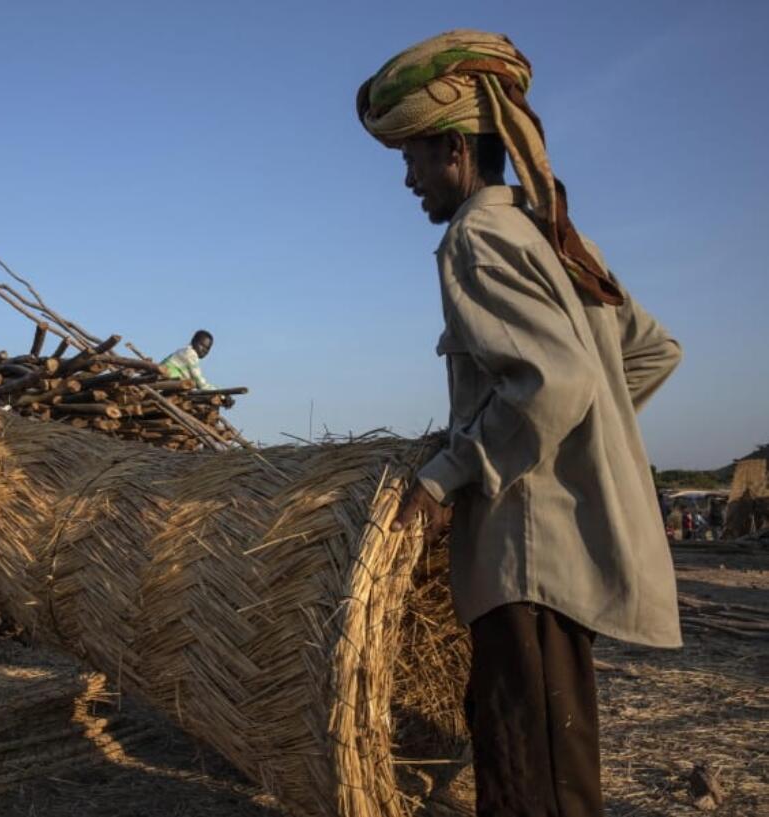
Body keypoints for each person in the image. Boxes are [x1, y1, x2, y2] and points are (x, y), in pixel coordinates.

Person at [358, 31, 682, 816]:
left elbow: (556, 381)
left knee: (522, 772)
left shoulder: (476, 237)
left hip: (524, 562)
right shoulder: (557, 235)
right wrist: (585, 450)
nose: (407, 178)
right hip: (558, 561)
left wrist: (446, 475)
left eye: (411, 156)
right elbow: (648, 352)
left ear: (454, 151)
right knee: (558, 769)